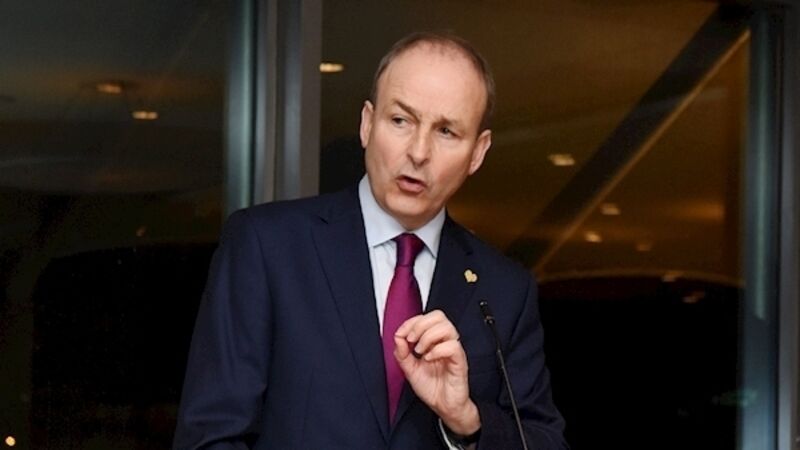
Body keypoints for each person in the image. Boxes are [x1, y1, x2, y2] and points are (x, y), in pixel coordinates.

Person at [173, 31, 567, 449]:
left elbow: (543, 440)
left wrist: (467, 422)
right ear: (367, 123)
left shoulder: (504, 290)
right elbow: (210, 436)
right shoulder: (267, 246)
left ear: (478, 153)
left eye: (446, 131)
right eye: (400, 121)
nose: (418, 152)